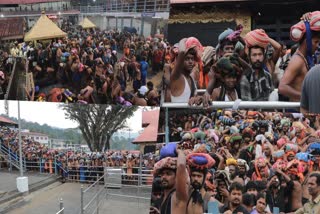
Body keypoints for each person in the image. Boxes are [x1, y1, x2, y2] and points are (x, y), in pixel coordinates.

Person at [279, 11, 320, 101]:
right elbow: (282, 87)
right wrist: (306, 97)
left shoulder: (305, 58)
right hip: (298, 112)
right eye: (316, 42)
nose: (317, 45)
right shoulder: (297, 60)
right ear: (307, 41)